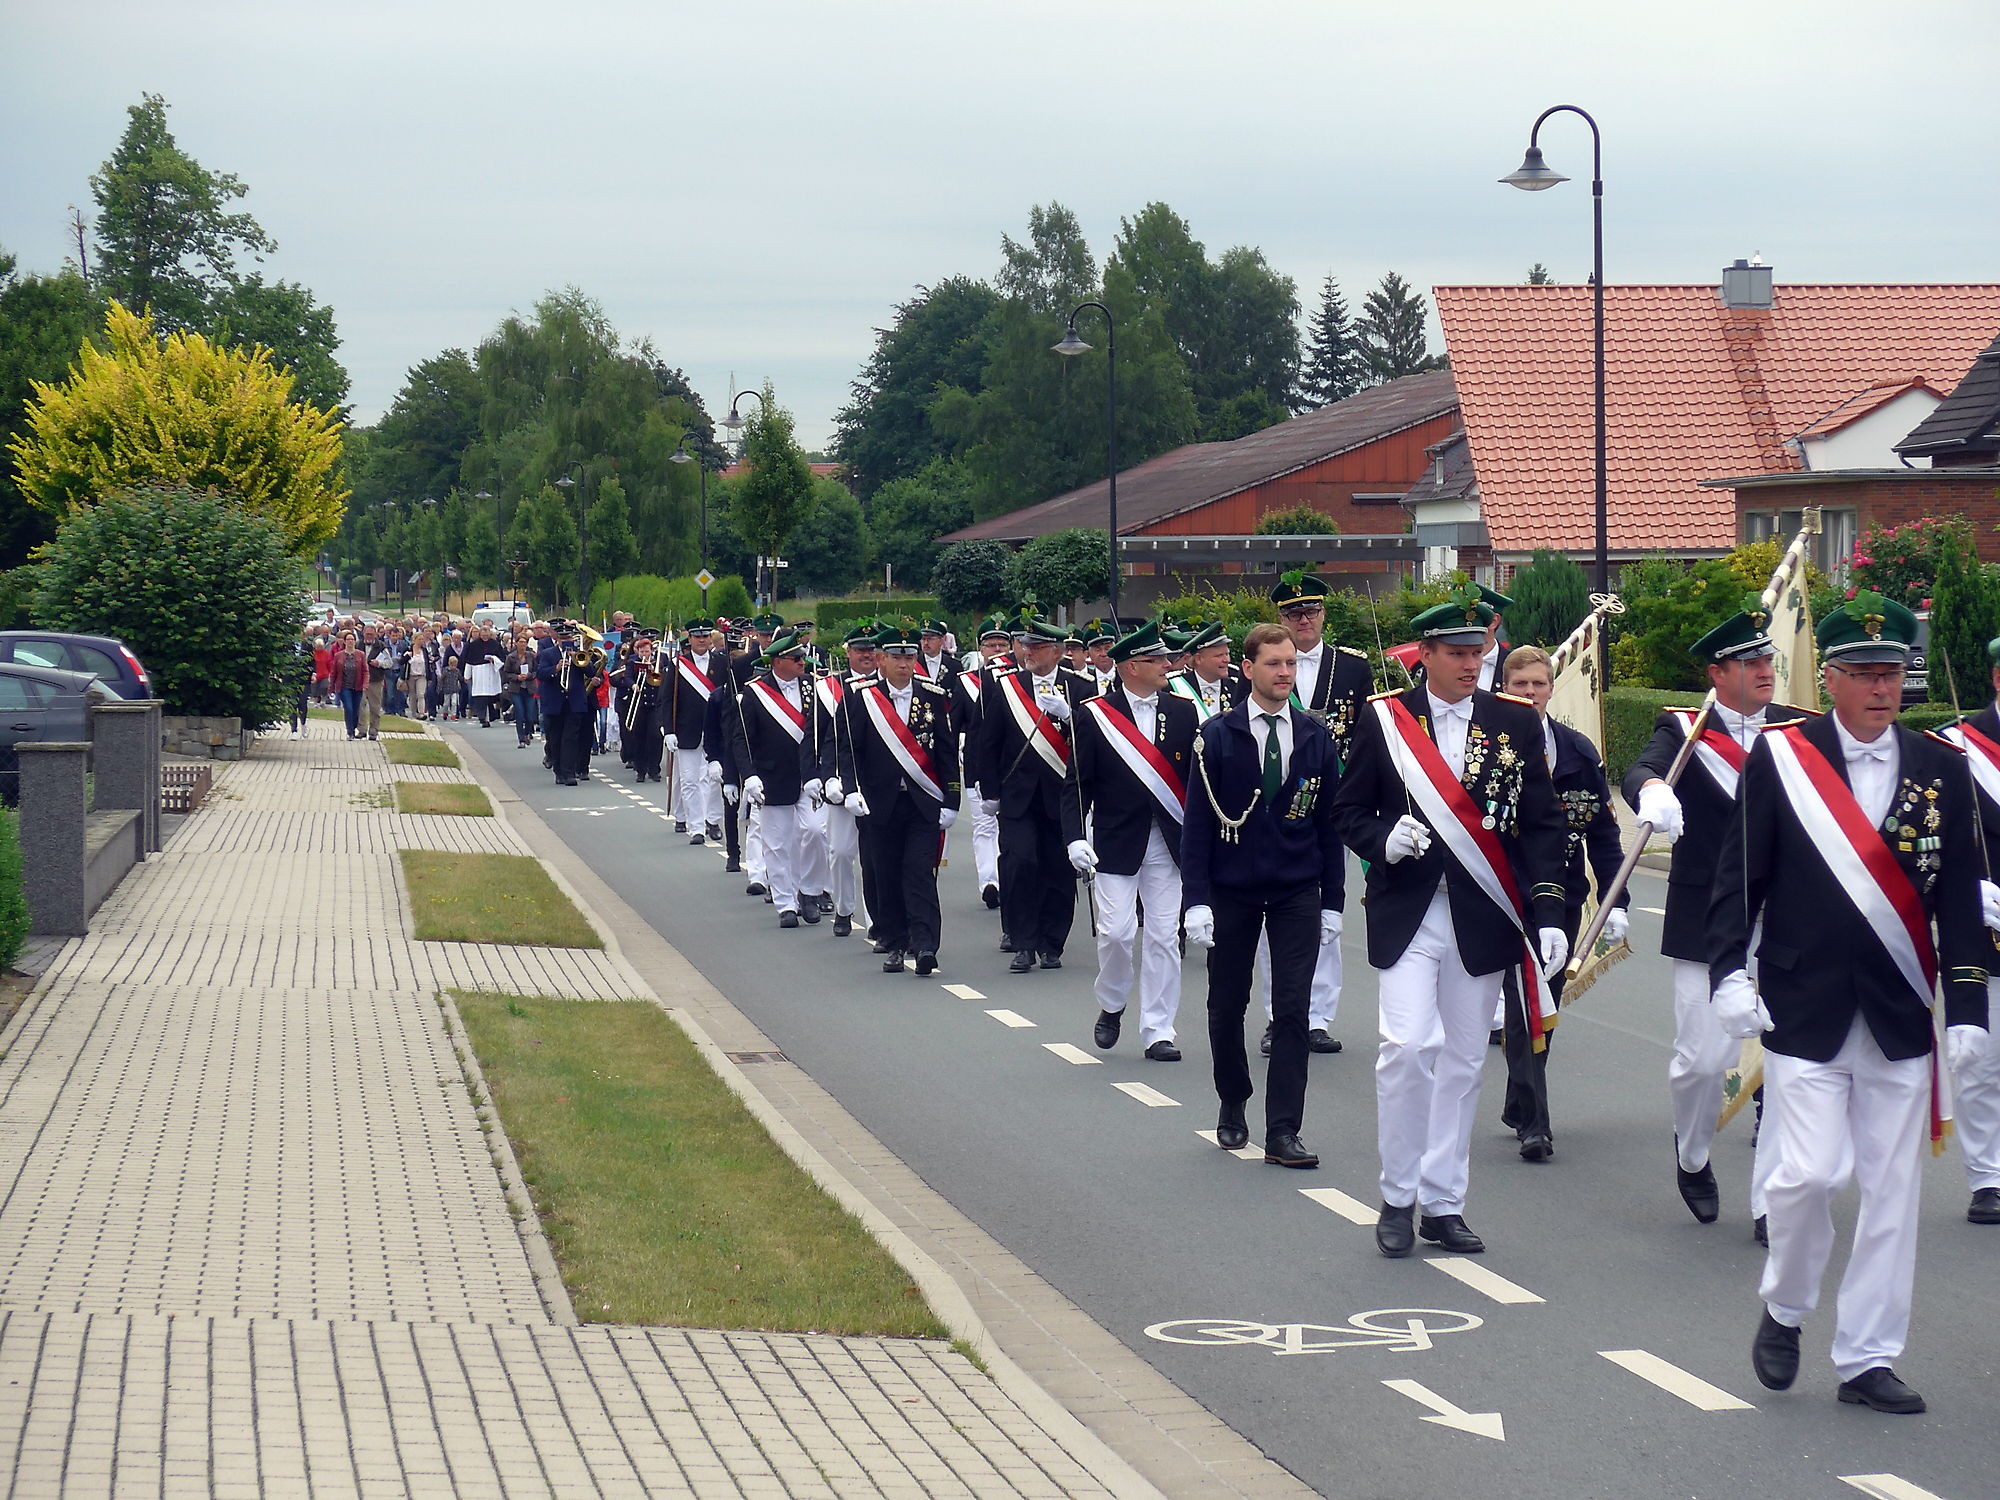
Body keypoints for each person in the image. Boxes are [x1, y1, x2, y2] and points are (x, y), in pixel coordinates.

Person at [1712, 593, 1989, 1415]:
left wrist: (1967, 1008)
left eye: (1893, 673)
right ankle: (1786, 1305)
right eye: (1865, 672)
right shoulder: (1783, 758)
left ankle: (1868, 1356)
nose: (1882, 687)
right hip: (1804, 1005)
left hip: (1900, 1010)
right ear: (1829, 678)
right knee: (1805, 1176)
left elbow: (1960, 900)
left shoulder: (1942, 767)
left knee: (1892, 1194)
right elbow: (1741, 876)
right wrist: (1729, 972)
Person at [1332, 585, 1568, 1256]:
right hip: (1409, 910)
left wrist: (1549, 909)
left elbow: (1542, 825)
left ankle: (1442, 1203)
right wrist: (1383, 840)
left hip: (1483, 912)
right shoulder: (1385, 720)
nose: (1471, 664)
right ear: (1426, 654)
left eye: (1477, 652)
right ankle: (1397, 1194)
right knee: (1407, 1048)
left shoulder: (1514, 722)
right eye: (1457, 653)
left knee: (1463, 1062)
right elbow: (1348, 811)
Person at [1620, 597, 1814, 1233]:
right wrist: (1653, 790)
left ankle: (1772, 1200)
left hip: (1787, 917)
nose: (1765, 670)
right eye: (1749, 662)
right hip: (1707, 917)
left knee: (1787, 1062)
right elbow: (1643, 769)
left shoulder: (1799, 730)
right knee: (1703, 1061)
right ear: (1718, 673)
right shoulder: (1685, 730)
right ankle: (1693, 1153)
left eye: (1767, 659)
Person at [1183, 622, 1345, 1165]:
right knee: (1227, 1004)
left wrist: (1333, 901)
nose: (1284, 673)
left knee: (1293, 1009)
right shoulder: (1217, 735)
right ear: (1248, 669)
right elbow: (1198, 825)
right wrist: (1196, 899)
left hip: (1297, 888)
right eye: (1274, 663)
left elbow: (1329, 826)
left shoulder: (1315, 736)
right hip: (1233, 889)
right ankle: (1233, 1100)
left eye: (1291, 663)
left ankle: (1283, 1130)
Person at [1493, 645, 1630, 1161]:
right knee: (1523, 1002)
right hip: (1505, 893)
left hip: (1564, 897)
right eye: (1520, 684)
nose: (1530, 693)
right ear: (1504, 688)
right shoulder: (1489, 747)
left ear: (1552, 688)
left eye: (1539, 684)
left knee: (1544, 1003)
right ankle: (1536, 1124)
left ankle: (1519, 1102)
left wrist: (1616, 901)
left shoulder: (1577, 751)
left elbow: (1604, 834)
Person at [1062, 621, 1198, 1061]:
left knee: (1164, 936)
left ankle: (1158, 1029)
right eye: (1158, 660)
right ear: (1132, 667)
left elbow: (1193, 782)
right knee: (1116, 933)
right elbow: (1076, 784)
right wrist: (1074, 838)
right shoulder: (1094, 714)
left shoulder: (1183, 712)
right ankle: (1113, 1001)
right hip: (1116, 840)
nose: (1167, 666)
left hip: (1169, 840)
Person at [1262, 573, 1375, 1057]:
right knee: (1274, 914)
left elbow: (1370, 737)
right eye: (1293, 614)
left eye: (1310, 611)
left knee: (1329, 911)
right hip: (1277, 803)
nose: (1303, 620)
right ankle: (1278, 1016)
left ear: (1324, 614)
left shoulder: (1352, 666)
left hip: (1335, 802)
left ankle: (1317, 1018)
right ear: (1281, 619)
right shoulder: (1267, 665)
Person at [975, 611, 1099, 972]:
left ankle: (1051, 942)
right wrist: (989, 791)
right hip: (1017, 796)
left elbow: (1095, 741)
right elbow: (989, 743)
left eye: (1037, 647)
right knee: (1020, 864)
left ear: (1056, 652)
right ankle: (1023, 942)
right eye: (1025, 645)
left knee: (1058, 870)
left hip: (1063, 796)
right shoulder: (1006, 687)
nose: (1028, 652)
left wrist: (1069, 716)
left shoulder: (1080, 688)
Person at [834, 620, 960, 972]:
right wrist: (850, 790)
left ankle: (925, 945)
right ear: (881, 660)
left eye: (909, 657)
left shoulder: (933, 696)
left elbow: (946, 753)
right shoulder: (861, 698)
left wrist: (952, 801)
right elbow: (849, 750)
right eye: (896, 658)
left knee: (919, 872)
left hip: (922, 801)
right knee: (885, 874)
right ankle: (894, 941)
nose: (904, 664)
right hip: (880, 802)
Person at [1937, 636, 2000, 1226]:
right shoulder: (1958, 748)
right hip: (1987, 928)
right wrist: (1965, 886)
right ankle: (1988, 1178)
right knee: (1983, 1061)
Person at [730, 631, 824, 928]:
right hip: (772, 776)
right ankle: (786, 904)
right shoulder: (754, 693)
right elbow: (741, 739)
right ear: (778, 662)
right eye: (796, 659)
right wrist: (749, 776)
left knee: (815, 833)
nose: (802, 663)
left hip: (810, 777)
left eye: (802, 658)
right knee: (778, 844)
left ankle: (809, 891)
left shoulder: (813, 687)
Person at [817, 621, 882, 938]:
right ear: (848, 653)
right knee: (841, 852)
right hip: (843, 785)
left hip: (878, 785)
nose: (867, 655)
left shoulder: (887, 686)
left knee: (876, 857)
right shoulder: (832, 688)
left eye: (871, 649)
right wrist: (827, 777)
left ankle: (877, 919)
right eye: (860, 650)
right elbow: (826, 739)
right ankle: (843, 909)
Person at [960, 615, 1014, 912]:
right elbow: (953, 726)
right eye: (991, 645)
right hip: (976, 766)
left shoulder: (1017, 681)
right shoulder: (966, 683)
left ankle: (1008, 880)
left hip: (1010, 766)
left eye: (1002, 645)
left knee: (1008, 828)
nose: (997, 650)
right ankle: (990, 883)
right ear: (981, 649)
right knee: (984, 827)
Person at [666, 620, 728, 843]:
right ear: (690, 639)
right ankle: (696, 828)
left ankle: (713, 820)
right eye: (697, 636)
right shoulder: (678, 665)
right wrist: (669, 730)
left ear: (710, 638)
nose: (702, 640)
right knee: (690, 781)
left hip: (716, 731)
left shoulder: (722, 663)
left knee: (715, 779)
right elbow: (667, 699)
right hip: (687, 730)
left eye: (705, 636)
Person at [616, 629, 667, 783]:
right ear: (637, 651)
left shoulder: (658, 663)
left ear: (652, 651)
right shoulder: (632, 663)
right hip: (638, 705)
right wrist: (633, 685)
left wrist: (654, 670)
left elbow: (663, 680)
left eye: (647, 651)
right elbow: (627, 678)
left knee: (655, 737)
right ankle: (640, 770)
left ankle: (654, 769)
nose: (645, 654)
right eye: (642, 651)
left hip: (654, 705)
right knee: (639, 738)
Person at [1168, 623, 1241, 722]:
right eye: (1219, 655)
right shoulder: (1173, 687)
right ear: (1198, 659)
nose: (1227, 660)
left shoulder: (1236, 688)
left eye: (1227, 654)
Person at [506, 628, 542, 746]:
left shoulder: (531, 656)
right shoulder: (511, 657)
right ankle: (521, 739)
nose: (522, 645)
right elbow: (506, 673)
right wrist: (517, 677)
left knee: (529, 715)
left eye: (524, 642)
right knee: (520, 713)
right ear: (516, 643)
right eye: (520, 642)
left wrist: (529, 676)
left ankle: (527, 733)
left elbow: (536, 671)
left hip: (529, 688)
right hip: (516, 689)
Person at [330, 630, 369, 738]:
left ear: (355, 641)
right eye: (348, 639)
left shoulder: (361, 655)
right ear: (344, 641)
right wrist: (331, 687)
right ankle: (350, 731)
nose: (350, 641)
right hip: (344, 686)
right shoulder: (338, 655)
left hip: (357, 687)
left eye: (352, 639)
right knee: (348, 708)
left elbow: (365, 671)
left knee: (356, 710)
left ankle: (354, 726)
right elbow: (334, 673)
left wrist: (365, 684)